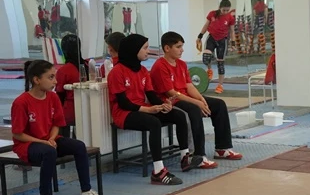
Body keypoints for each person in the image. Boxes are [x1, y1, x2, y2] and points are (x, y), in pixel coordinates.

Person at [11, 60, 105, 195]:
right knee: (49, 152)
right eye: (51, 77)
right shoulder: (21, 102)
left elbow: (57, 124)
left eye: (55, 77)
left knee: (79, 146)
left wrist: (51, 138)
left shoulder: (53, 97)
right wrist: (43, 142)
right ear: (36, 80)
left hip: (49, 141)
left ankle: (86, 192)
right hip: (28, 144)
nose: (55, 81)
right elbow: (18, 134)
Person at [107, 34, 201, 185]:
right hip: (124, 114)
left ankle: (185, 157)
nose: (148, 51)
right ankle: (158, 172)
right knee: (154, 123)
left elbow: (152, 96)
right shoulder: (117, 72)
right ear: (134, 50)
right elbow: (123, 103)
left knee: (178, 115)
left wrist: (164, 105)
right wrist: (148, 110)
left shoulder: (143, 70)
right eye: (145, 48)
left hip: (143, 108)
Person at [151, 31, 242, 169]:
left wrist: (201, 99)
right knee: (194, 109)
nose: (182, 50)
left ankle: (222, 148)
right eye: (178, 47)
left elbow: (189, 85)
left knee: (219, 105)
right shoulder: (160, 66)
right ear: (167, 48)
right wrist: (197, 103)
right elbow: (172, 93)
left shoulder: (181, 64)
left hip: (185, 97)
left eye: (182, 46)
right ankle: (198, 156)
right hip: (171, 101)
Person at [197, 0, 235, 94]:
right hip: (212, 38)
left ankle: (220, 85)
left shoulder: (230, 18)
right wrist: (200, 36)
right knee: (206, 57)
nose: (225, 12)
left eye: (227, 10)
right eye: (224, 10)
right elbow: (206, 25)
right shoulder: (212, 14)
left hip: (222, 41)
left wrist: (233, 42)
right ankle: (209, 70)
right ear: (220, 7)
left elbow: (232, 31)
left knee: (220, 64)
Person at [55, 35, 88, 137]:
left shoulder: (64, 70)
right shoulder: (88, 65)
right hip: (88, 107)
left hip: (71, 111)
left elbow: (59, 95)